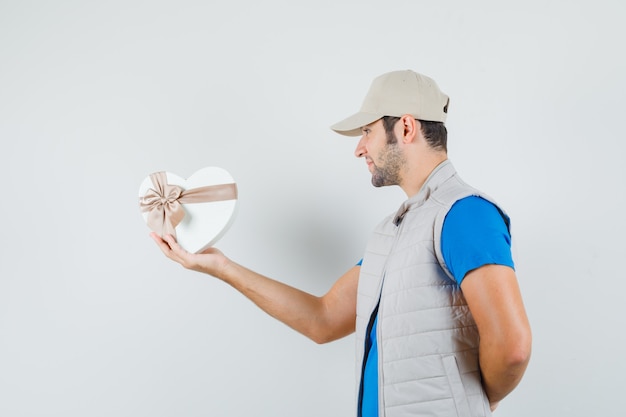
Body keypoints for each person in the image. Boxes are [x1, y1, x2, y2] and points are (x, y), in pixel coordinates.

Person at [150, 69, 532, 417]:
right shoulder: (393, 231)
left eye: (367, 131)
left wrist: (477, 398)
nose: (359, 148)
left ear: (406, 127)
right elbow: (323, 318)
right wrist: (222, 267)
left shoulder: (465, 214)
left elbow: (512, 347)